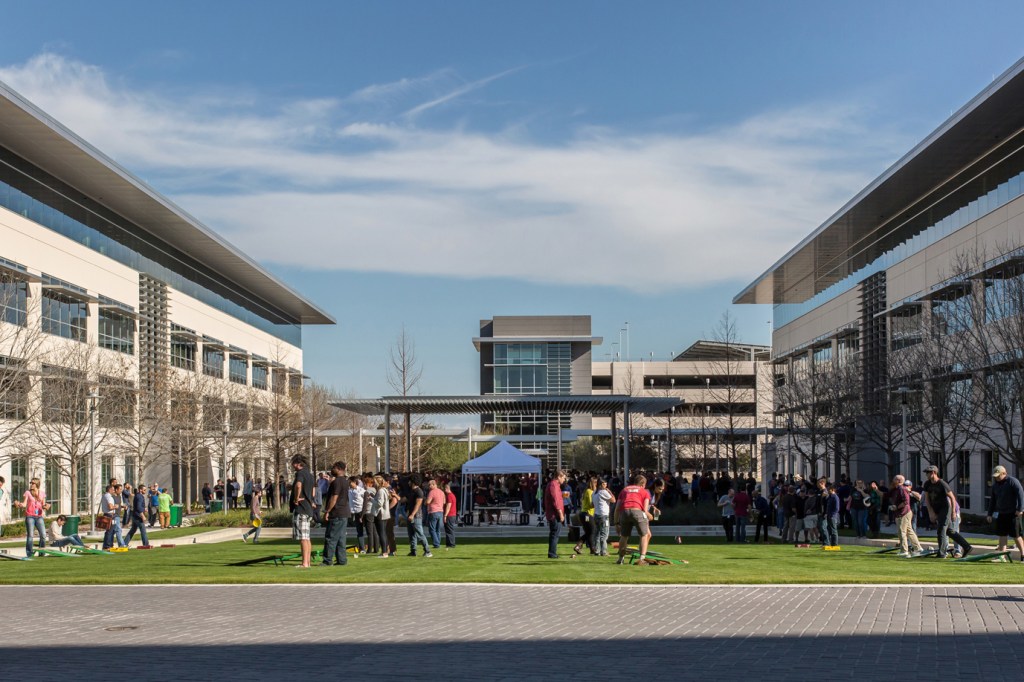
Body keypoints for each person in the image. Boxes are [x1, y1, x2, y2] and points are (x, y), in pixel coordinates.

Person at [922, 465, 971, 559]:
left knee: (941, 530)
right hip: (936, 509)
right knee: (949, 531)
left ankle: (942, 553)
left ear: (933, 473)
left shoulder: (942, 483)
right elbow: (927, 499)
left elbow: (952, 498)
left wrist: (953, 512)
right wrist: (930, 512)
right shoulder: (927, 484)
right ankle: (967, 547)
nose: (926, 474)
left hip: (945, 509)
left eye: (928, 472)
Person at [987, 465, 1024, 562]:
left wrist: (1020, 509)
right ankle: (1001, 556)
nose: (996, 478)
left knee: (1016, 535)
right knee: (1002, 535)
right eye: (995, 476)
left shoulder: (1012, 481)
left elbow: (1020, 494)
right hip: (1001, 513)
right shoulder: (995, 485)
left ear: (1004, 473)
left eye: (998, 476)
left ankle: (1023, 555)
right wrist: (989, 513)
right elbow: (993, 500)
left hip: (1013, 513)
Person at [615, 474, 653, 565]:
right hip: (637, 511)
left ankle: (620, 559)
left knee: (624, 536)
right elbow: (644, 509)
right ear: (643, 484)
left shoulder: (625, 490)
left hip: (624, 512)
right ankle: (642, 558)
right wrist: (650, 515)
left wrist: (616, 523)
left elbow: (617, 508)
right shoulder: (644, 492)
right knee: (644, 535)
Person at [289, 454, 316, 568]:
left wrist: (296, 498)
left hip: (301, 508)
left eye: (294, 464)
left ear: (298, 464)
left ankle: (304, 563)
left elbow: (299, 485)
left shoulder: (300, 473)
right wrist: (311, 500)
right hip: (308, 508)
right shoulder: (310, 475)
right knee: (307, 538)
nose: (293, 466)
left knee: (303, 538)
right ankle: (308, 562)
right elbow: (313, 491)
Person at [320, 462, 349, 564]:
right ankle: (342, 560)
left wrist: (327, 511)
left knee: (331, 537)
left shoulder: (337, 482)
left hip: (336, 512)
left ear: (339, 469)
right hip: (344, 513)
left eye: (334, 468)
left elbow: (334, 497)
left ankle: (327, 560)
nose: (332, 469)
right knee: (341, 538)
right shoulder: (345, 481)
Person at [14, 478, 49, 557]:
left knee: (43, 535)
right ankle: (29, 553)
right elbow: (24, 504)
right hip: (30, 516)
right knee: (30, 536)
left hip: (39, 516)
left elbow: (43, 504)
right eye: (31, 483)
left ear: (37, 484)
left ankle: (41, 552)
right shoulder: (27, 493)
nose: (31, 484)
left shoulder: (42, 493)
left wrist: (46, 506)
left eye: (33, 483)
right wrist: (19, 504)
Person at [890, 475, 923, 557]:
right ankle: (918, 548)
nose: (906, 487)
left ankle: (904, 550)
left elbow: (917, 498)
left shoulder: (903, 489)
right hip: (907, 512)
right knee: (909, 530)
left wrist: (910, 491)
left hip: (906, 512)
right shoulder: (899, 489)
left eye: (908, 485)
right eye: (906, 485)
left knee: (902, 531)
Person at [405, 473, 432, 558]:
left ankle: (428, 551)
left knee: (420, 534)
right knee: (411, 534)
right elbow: (405, 499)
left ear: (413, 481)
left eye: (410, 480)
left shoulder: (419, 491)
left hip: (416, 516)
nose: (408, 482)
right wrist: (395, 495)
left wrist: (412, 514)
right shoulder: (411, 491)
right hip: (410, 515)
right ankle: (413, 551)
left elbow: (418, 504)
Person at [543, 470, 567, 559]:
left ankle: (552, 552)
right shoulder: (554, 485)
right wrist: (560, 513)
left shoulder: (554, 485)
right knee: (555, 534)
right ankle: (552, 553)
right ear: (559, 477)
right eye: (563, 478)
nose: (564, 480)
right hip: (554, 514)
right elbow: (555, 501)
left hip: (553, 513)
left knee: (554, 533)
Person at [592, 478, 615, 556]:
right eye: (605, 484)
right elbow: (613, 500)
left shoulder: (594, 492)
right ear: (601, 484)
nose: (606, 486)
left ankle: (597, 550)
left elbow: (592, 504)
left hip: (596, 514)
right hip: (604, 515)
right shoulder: (604, 492)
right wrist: (610, 492)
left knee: (597, 534)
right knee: (604, 534)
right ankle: (604, 551)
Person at [574, 476, 597, 555]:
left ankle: (578, 546)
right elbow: (591, 504)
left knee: (588, 532)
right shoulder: (590, 491)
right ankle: (592, 549)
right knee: (592, 531)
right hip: (587, 514)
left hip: (583, 513)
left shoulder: (586, 491)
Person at [99, 484, 125, 550]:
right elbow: (110, 507)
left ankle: (107, 545)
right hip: (110, 515)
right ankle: (108, 546)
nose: (114, 491)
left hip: (107, 514)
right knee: (110, 531)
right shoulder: (109, 497)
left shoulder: (104, 496)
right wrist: (115, 506)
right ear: (110, 490)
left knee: (110, 530)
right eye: (113, 490)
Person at [372, 475, 391, 558]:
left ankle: (384, 552)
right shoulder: (384, 490)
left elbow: (379, 503)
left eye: (373, 482)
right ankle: (385, 550)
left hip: (380, 514)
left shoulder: (380, 491)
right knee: (383, 533)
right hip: (384, 514)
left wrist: (371, 499)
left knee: (381, 533)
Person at [424, 479, 445, 549]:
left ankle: (436, 543)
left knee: (432, 529)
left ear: (434, 484)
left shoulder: (432, 492)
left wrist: (425, 501)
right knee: (438, 530)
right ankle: (437, 542)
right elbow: (444, 502)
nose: (429, 486)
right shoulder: (442, 492)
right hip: (440, 511)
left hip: (433, 511)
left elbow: (427, 502)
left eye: (430, 484)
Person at [823, 483, 840, 548]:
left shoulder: (835, 497)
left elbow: (836, 508)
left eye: (829, 489)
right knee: (829, 529)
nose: (828, 490)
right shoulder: (829, 497)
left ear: (832, 490)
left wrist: (832, 515)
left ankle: (835, 544)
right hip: (828, 515)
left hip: (833, 516)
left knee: (833, 530)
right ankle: (831, 543)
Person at [442, 482, 458, 549]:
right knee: (449, 530)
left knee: (449, 530)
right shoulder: (452, 495)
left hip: (450, 515)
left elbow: (448, 506)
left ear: (446, 489)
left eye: (444, 489)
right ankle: (449, 544)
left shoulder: (449, 496)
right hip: (452, 515)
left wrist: (445, 515)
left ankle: (451, 544)